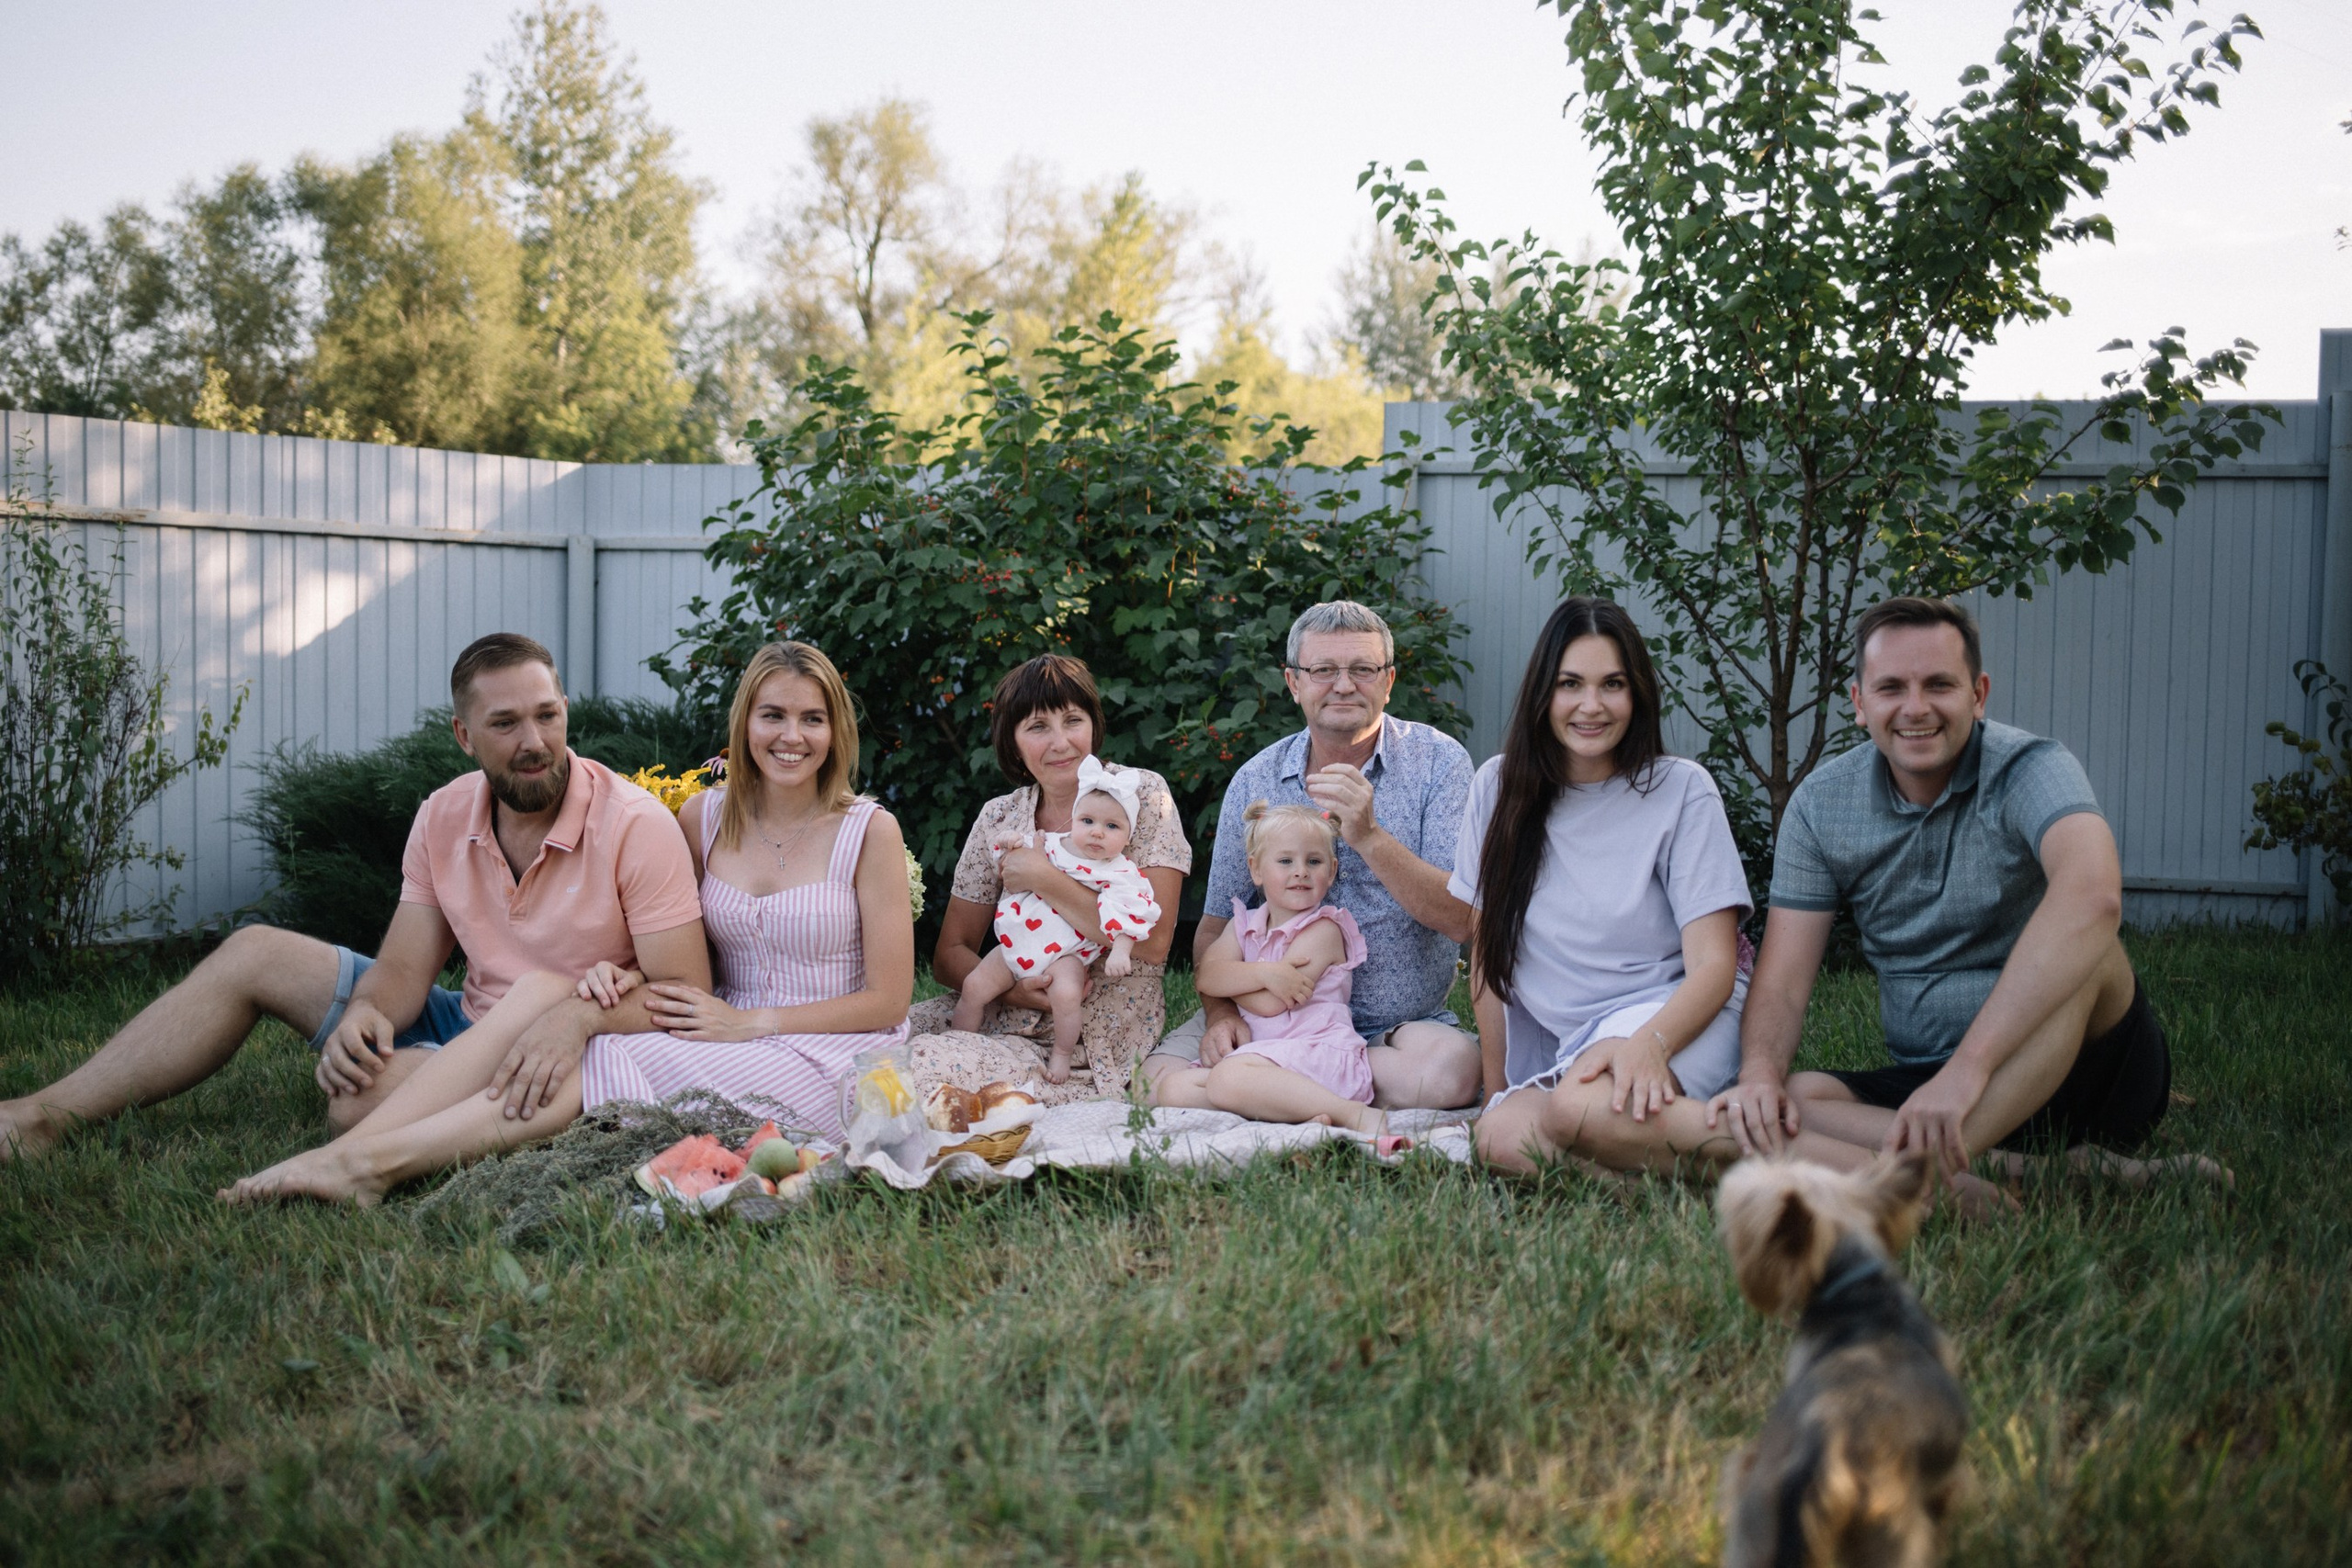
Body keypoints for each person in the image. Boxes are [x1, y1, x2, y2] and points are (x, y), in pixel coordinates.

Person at [219, 640, 913, 1201]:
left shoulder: (869, 831)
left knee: (604, 1054)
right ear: (744, 725)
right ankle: (358, 1161)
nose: (792, 735)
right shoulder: (704, 817)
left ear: (836, 731)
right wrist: (629, 972)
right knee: (593, 1049)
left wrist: (748, 1023)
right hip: (720, 1030)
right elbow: (680, 946)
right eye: (773, 715)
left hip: (833, 1050)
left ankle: (369, 1163)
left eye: (812, 719)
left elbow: (889, 1000)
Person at [0, 633, 707, 1168]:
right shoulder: (442, 815)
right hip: (467, 1019)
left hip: (565, 1051)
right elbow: (404, 969)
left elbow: (686, 994)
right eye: (505, 723)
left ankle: (469, 1105)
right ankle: (46, 1115)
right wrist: (366, 1014)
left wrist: (580, 1019)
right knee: (255, 950)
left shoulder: (634, 824)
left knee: (357, 1103)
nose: (534, 742)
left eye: (547, 716)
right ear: (464, 735)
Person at [1704, 596, 2222, 1206]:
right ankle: (2046, 1171)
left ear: (1978, 694)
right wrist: (1759, 1076)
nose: (1916, 707)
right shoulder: (1821, 806)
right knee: (1788, 1101)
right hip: (1927, 1079)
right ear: (1859, 703)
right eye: (1891, 687)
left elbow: (2094, 896)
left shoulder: (2032, 767)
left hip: (2084, 1073)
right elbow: (1785, 984)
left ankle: (1923, 1175)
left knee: (2094, 953)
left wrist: (1969, 1069)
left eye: (1939, 685)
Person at [1146, 601, 1481, 1111]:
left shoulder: (1440, 763)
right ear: (1293, 682)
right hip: (1268, 1020)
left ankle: (1271, 1090)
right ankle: (1317, 1090)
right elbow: (1214, 931)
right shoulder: (1257, 779)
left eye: (1362, 669)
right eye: (1323, 670)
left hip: (1395, 1033)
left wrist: (1369, 837)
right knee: (1152, 1081)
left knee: (1448, 1075)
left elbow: (1461, 920)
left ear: (1388, 681)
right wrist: (1220, 1017)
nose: (1343, 685)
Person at [1464, 598, 1758, 1176]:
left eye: (1613, 684)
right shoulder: (1496, 790)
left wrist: (1651, 1044)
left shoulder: (1680, 789)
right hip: (1573, 1044)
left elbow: (1714, 967)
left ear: (1638, 693)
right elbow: (1486, 956)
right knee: (1500, 1139)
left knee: (1576, 1109)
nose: (1591, 706)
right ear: (1543, 692)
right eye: (1571, 683)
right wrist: (1493, 1091)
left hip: (1677, 1016)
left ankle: (1859, 1169)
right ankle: (1716, 1169)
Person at [910, 655, 1191, 1104]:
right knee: (875, 1047)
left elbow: (1153, 944)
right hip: (1002, 1006)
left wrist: (1045, 878)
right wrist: (1018, 990)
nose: (1060, 742)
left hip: (1092, 1038)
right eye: (1038, 727)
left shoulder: (1139, 795)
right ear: (1013, 742)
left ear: (1093, 727)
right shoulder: (1000, 817)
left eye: (1072, 721)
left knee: (921, 1074)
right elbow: (949, 956)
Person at [1150, 803, 1385, 1135]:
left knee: (1227, 1078)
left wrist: (1228, 976)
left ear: (1331, 872)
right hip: (1264, 1059)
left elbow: (1270, 1004)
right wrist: (1266, 974)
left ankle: (1351, 1113)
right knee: (1173, 1089)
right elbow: (1204, 976)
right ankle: (1294, 1112)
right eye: (1286, 861)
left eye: (1313, 862)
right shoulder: (1243, 924)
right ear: (1256, 869)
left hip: (1316, 1056)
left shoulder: (1324, 930)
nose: (1301, 871)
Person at [950, 756, 1161, 1085]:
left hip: (1066, 953)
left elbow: (1131, 913)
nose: (1097, 833)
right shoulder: (1048, 843)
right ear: (1074, 819)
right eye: (1088, 821)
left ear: (1128, 837)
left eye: (1112, 827)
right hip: (1016, 943)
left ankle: (1062, 1054)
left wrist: (1121, 949)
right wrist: (1008, 844)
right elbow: (1009, 858)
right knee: (974, 985)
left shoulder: (1119, 872)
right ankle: (958, 1042)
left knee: (1066, 995)